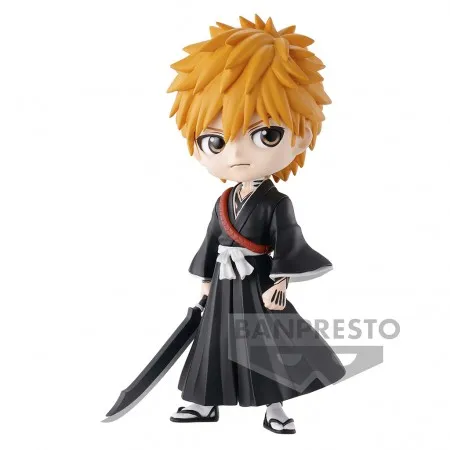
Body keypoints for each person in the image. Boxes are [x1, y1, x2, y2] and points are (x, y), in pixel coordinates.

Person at [167, 14, 345, 434]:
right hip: (224, 284)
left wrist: (280, 282)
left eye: (266, 135)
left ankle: (275, 407)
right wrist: (205, 279)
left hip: (258, 283)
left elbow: (290, 242)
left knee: (267, 345)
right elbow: (212, 239)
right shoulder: (224, 201)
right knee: (213, 341)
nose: (236, 155)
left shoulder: (276, 203)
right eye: (215, 140)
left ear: (300, 136)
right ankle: (204, 402)